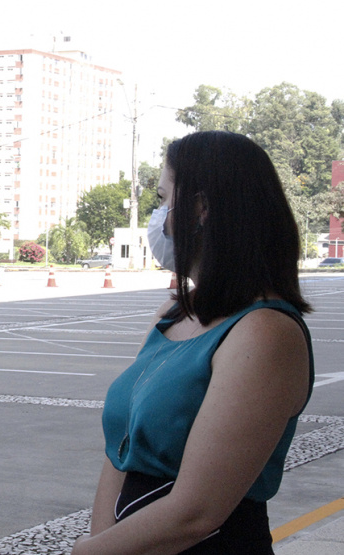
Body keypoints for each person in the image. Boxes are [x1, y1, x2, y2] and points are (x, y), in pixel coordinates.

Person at [73, 131, 313, 554]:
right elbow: (121, 452)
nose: (159, 217)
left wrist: (88, 553)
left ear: (200, 208)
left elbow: (196, 513)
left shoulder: (264, 332)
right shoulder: (172, 316)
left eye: (165, 199)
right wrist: (100, 542)